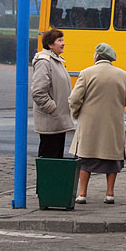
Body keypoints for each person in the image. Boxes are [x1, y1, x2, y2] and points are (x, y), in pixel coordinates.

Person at [69, 42, 126, 205]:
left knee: (86, 158)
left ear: (97, 56)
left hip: (89, 123)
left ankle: (82, 193)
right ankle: (110, 193)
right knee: (112, 159)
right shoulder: (122, 74)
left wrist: (76, 114)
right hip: (113, 124)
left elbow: (75, 99)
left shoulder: (86, 73)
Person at [30, 29, 74, 158]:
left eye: (63, 40)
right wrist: (52, 108)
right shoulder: (44, 62)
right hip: (50, 120)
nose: (63, 43)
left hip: (57, 120)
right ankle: (46, 179)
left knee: (55, 157)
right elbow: (38, 91)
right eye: (59, 40)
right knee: (49, 156)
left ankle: (53, 179)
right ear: (50, 44)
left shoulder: (56, 61)